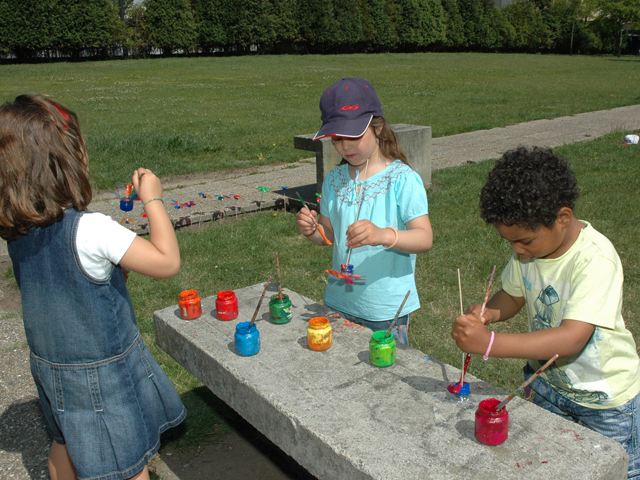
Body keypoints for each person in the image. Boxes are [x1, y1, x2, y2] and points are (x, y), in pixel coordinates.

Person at [0, 95, 186, 480]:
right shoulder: (92, 228)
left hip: (52, 369)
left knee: (64, 441)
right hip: (103, 377)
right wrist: (152, 197)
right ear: (65, 162)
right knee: (129, 463)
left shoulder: (18, 231)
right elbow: (167, 261)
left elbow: (69, 282)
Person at [451, 146, 640, 478]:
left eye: (524, 241)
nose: (517, 250)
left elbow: (571, 339)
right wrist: (490, 313)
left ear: (563, 218)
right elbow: (512, 295)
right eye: (509, 242)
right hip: (547, 387)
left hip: (605, 402)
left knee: (613, 471)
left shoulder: (595, 259)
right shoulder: (527, 253)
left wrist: (490, 343)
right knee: (551, 466)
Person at [296, 77, 433, 344]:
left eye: (354, 136)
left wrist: (384, 235)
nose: (345, 146)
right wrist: (312, 229)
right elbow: (329, 235)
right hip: (338, 303)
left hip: (384, 311)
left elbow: (424, 238)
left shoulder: (402, 180)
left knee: (384, 380)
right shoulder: (334, 180)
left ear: (378, 128)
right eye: (337, 139)